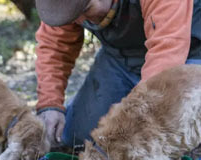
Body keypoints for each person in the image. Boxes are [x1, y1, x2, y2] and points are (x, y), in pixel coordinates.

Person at [34, 0, 201, 148]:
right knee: (76, 136)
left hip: (186, 59)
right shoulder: (67, 7)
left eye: (88, 9)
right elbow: (54, 46)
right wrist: (50, 104)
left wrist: (134, 115)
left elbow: (166, 51)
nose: (85, 20)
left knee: (169, 137)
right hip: (120, 60)